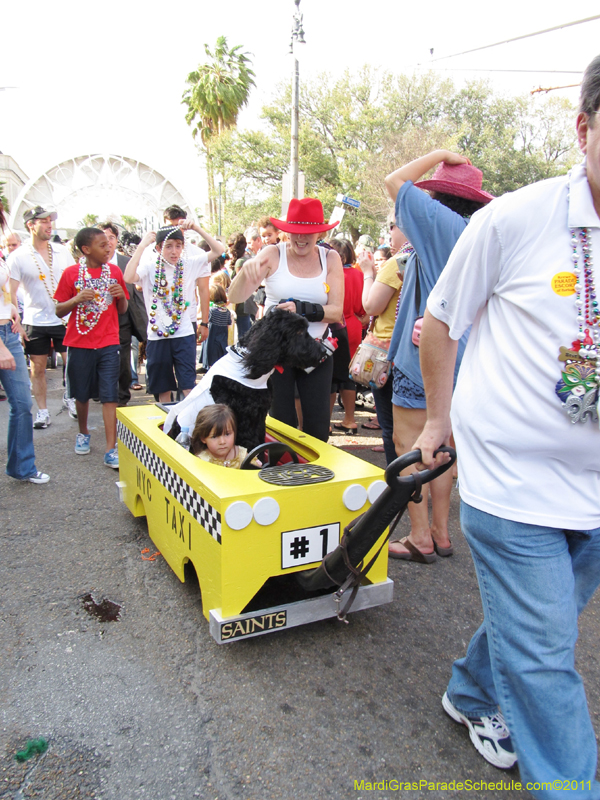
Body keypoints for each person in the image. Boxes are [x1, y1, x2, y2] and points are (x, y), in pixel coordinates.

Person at [411, 55, 600, 795]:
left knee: (539, 623)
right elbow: (440, 322)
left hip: (594, 490)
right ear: (583, 129)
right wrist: (435, 420)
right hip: (512, 480)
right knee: (548, 653)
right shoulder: (514, 219)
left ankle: (469, 689)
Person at [384, 150, 493, 561]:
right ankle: (441, 533)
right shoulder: (474, 230)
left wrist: (438, 155)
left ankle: (419, 536)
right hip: (462, 360)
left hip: (424, 358)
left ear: (440, 198)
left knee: (410, 445)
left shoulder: (438, 223)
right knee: (443, 445)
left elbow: (395, 179)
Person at [228, 197, 343, 442]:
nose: (300, 239)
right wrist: (243, 275)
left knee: (318, 425)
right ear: (286, 232)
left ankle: (315, 476)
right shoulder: (272, 253)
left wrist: (302, 309)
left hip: (316, 351)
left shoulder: (330, 259)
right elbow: (235, 296)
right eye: (294, 233)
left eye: (308, 233)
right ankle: (280, 473)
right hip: (276, 352)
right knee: (280, 422)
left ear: (319, 232)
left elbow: (336, 311)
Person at [54, 227, 129, 468]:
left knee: (110, 396)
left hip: (108, 342)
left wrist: (122, 297)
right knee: (82, 393)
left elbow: (123, 310)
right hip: (79, 343)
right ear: (86, 250)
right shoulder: (71, 274)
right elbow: (58, 310)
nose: (108, 247)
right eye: (101, 244)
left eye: (109, 243)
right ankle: (83, 432)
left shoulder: (115, 271)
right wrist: (76, 299)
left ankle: (110, 448)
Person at [124, 224, 221, 403]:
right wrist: (141, 246)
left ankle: (188, 424)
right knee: (163, 388)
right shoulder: (150, 267)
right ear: (159, 248)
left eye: (178, 245)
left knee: (188, 385)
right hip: (157, 336)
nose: (174, 251)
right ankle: (166, 425)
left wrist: (198, 229)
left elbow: (219, 250)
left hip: (183, 334)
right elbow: (128, 277)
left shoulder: (188, 264)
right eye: (168, 246)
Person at [8, 205, 75, 427]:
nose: (49, 225)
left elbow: (75, 281)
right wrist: (14, 320)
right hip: (34, 320)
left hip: (63, 318)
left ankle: (72, 398)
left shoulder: (62, 251)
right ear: (31, 225)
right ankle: (43, 411)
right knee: (37, 368)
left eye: (50, 221)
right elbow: (10, 292)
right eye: (44, 221)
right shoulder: (18, 256)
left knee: (71, 363)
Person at [0, 201, 49, 484]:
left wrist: (11, 310)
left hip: (9, 330)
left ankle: (22, 467)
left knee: (21, 404)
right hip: (2, 339)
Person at [357, 217, 409, 460]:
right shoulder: (431, 259)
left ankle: (399, 491)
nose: (390, 232)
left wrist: (368, 273)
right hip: (417, 352)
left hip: (388, 356)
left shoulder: (397, 263)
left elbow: (370, 306)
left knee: (393, 430)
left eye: (394, 226)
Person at [98, 221, 148, 405]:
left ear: (116, 240)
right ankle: (102, 391)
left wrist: (143, 323)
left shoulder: (126, 263)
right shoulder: (90, 264)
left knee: (123, 360)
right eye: (104, 237)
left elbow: (137, 295)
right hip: (98, 321)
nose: (108, 242)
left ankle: (121, 397)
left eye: (111, 237)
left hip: (122, 320)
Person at [329, 238, 366, 433]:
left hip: (335, 326)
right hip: (353, 326)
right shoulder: (358, 275)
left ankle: (324, 422)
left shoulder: (332, 274)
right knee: (349, 374)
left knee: (332, 376)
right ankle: (350, 419)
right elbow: (363, 307)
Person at [190, 404, 248, 468]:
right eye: (214, 437)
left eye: (227, 434)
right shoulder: (201, 461)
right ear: (203, 438)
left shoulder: (243, 456)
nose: (222, 442)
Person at [204, 284, 231, 367]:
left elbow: (207, 320)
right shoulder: (227, 311)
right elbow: (228, 324)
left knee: (211, 357)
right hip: (222, 338)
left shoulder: (212, 310)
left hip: (212, 338)